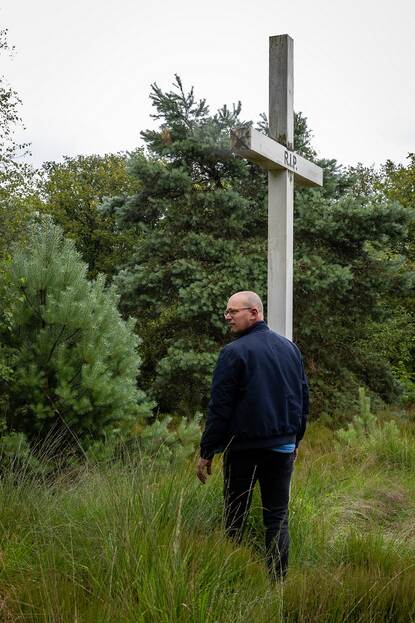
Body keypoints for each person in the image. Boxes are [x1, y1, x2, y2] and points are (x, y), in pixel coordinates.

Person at [196, 290, 309, 580]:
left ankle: (231, 580)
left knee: (235, 519)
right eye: (227, 311)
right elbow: (303, 400)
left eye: (234, 312)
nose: (227, 317)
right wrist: (295, 440)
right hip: (282, 448)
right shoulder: (290, 349)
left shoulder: (232, 353)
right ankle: (277, 585)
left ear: (254, 313)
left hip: (243, 450)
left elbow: (220, 407)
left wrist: (207, 451)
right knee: (277, 520)